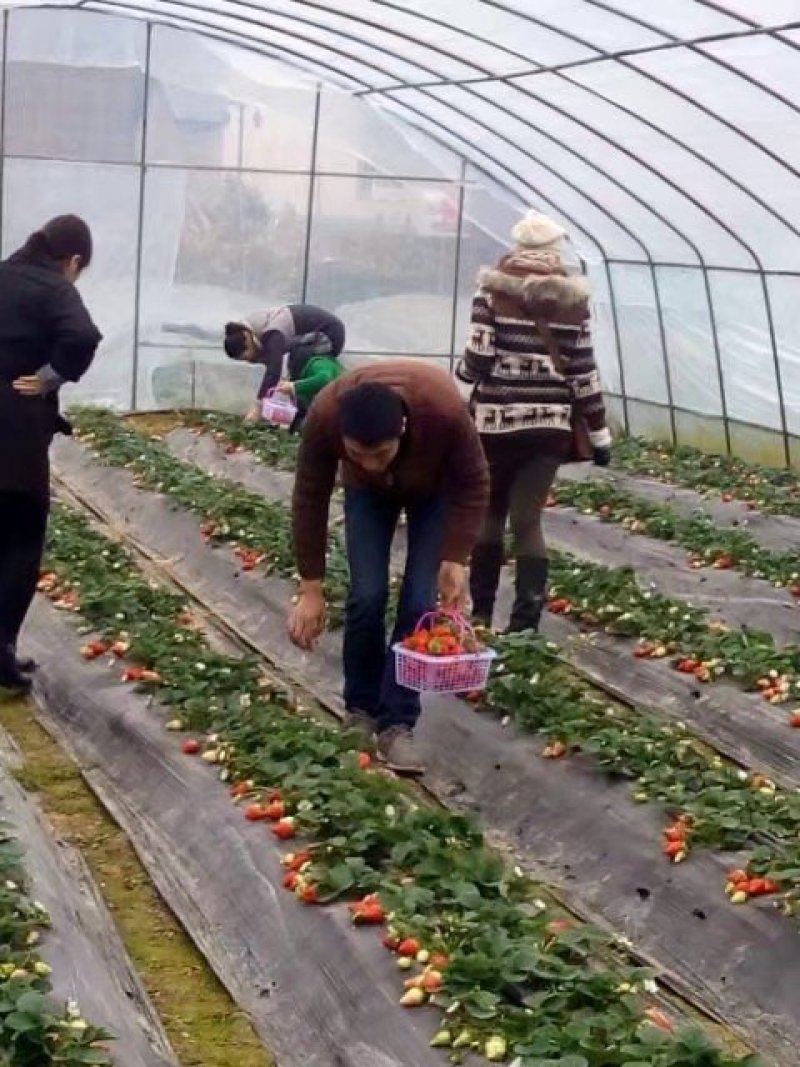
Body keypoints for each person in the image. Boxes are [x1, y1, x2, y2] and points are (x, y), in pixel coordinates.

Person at [287, 361, 489, 776]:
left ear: (400, 428)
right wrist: (311, 589)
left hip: (434, 492)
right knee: (367, 594)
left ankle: (397, 723)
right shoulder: (325, 416)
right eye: (358, 454)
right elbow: (310, 496)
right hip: (367, 497)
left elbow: (474, 482)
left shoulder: (444, 411)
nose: (372, 462)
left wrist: (456, 558)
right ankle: (360, 709)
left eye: (379, 453)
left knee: (418, 601)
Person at [457, 210, 611, 633]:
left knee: (489, 515)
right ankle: (524, 626)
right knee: (528, 522)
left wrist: (462, 378)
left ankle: (482, 615)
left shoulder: (491, 293)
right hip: (549, 427)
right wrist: (599, 433)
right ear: (554, 250)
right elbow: (583, 370)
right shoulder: (574, 302)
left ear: (518, 246)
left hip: (495, 424)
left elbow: (479, 357)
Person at [0, 215, 102, 691]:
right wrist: (49, 376)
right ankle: (0, 653)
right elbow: (82, 336)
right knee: (20, 542)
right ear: (73, 260)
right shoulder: (53, 287)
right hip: (15, 436)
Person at [223, 304, 345, 428]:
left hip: (330, 336)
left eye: (247, 357)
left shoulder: (273, 332)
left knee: (297, 360)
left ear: (247, 339)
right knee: (293, 368)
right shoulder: (256, 329)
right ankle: (301, 416)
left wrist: (258, 408)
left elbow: (273, 370)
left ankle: (302, 416)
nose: (250, 361)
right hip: (311, 338)